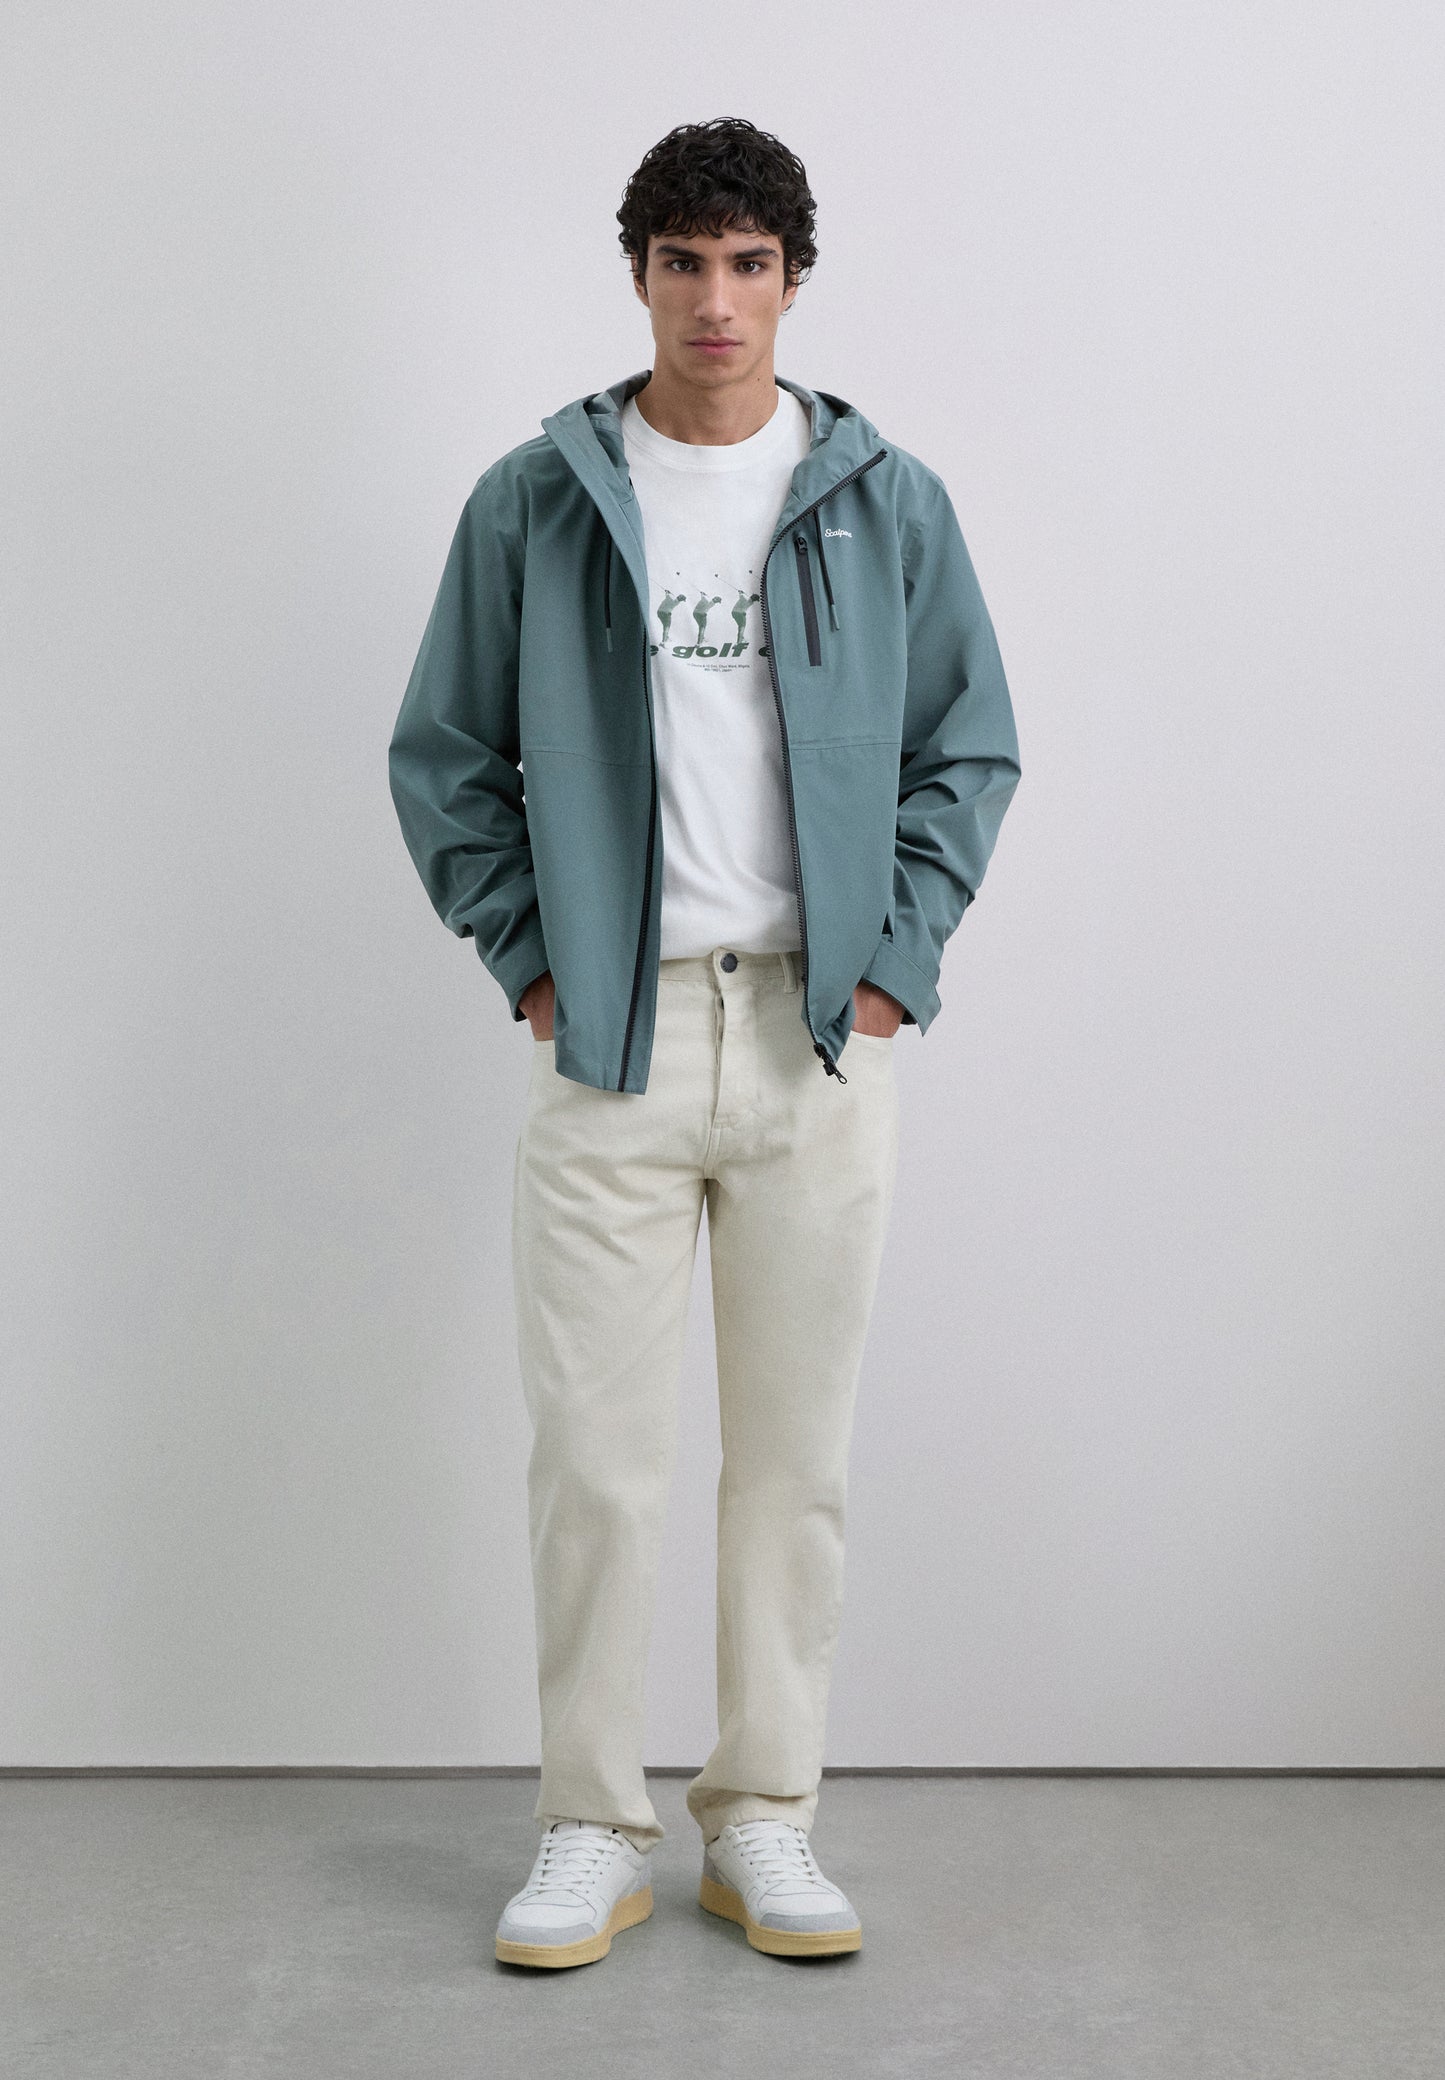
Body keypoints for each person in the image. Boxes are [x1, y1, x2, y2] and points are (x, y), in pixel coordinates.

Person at [388, 117, 1021, 1970]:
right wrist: (534, 961)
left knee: (792, 1465)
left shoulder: (884, 497)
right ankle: (590, 1824)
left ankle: (764, 1819)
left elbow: (967, 745)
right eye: (684, 262)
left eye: (749, 263)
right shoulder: (537, 497)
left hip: (819, 1037)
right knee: (595, 1463)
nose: (716, 300)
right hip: (613, 1042)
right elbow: (444, 755)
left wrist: (889, 967)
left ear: (793, 280)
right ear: (640, 276)